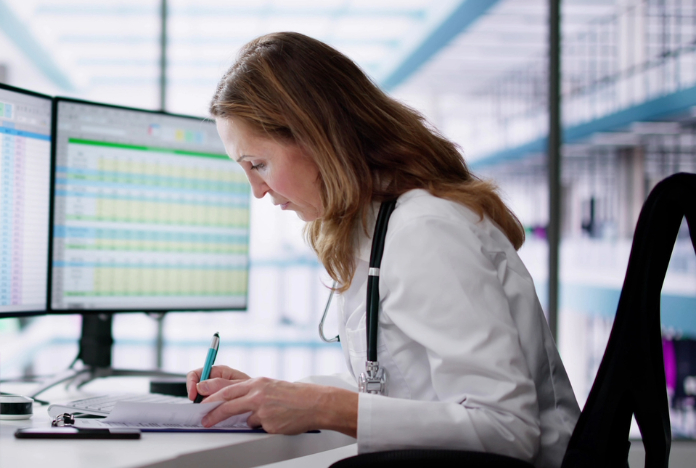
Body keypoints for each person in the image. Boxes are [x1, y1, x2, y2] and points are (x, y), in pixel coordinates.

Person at [185, 32, 580, 468]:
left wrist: (322, 407)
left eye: (258, 164)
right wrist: (274, 395)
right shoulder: (376, 228)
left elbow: (507, 428)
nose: (257, 190)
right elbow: (399, 390)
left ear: (319, 138)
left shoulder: (426, 230)